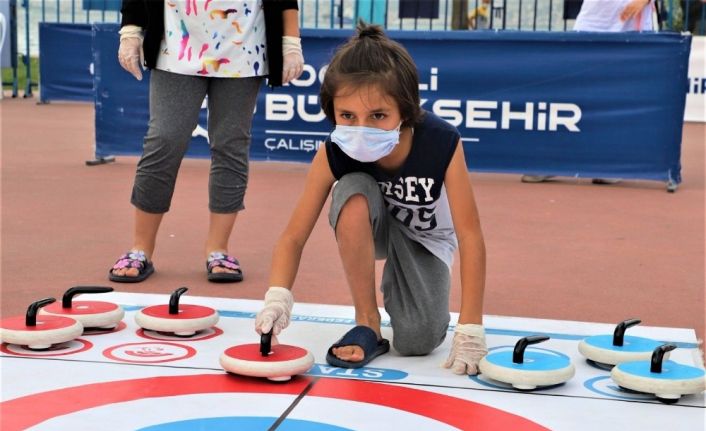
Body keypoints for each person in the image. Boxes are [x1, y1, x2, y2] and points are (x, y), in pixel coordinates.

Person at [254, 23, 488, 374]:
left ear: (406, 111)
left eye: (378, 115)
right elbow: (293, 235)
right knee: (351, 192)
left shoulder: (442, 142)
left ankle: (406, 303)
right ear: (332, 110)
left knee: (417, 342)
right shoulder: (334, 150)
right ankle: (367, 320)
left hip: (423, 239)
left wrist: (471, 326)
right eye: (347, 116)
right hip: (369, 224)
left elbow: (470, 235)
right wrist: (277, 296)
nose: (361, 128)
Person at [110, 0, 304, 283]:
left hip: (244, 44)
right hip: (176, 43)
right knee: (165, 140)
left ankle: (218, 249)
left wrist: (291, 43)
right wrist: (130, 32)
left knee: (230, 145)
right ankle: (140, 248)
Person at [522, 0, 654, 184]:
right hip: (592, 21)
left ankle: (610, 165)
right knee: (571, 96)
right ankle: (552, 162)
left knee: (618, 99)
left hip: (631, 24)